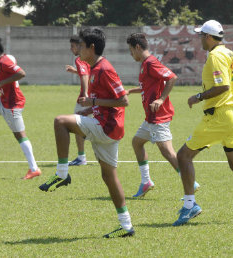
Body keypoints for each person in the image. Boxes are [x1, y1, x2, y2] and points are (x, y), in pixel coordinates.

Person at [39, 28, 135, 238]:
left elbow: (123, 101)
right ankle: (126, 226)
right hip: (109, 127)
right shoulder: (95, 67)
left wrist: (92, 102)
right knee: (109, 177)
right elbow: (107, 100)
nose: (78, 49)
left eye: (81, 45)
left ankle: (62, 174)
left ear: (91, 47)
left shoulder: (104, 69)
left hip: (106, 127)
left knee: (60, 122)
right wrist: (90, 109)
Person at [173, 20, 233, 226]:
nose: (199, 39)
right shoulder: (230, 54)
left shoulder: (216, 55)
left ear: (208, 37)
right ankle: (190, 205)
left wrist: (198, 96)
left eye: (201, 35)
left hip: (219, 115)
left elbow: (223, 86)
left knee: (183, 156)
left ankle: (190, 205)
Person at [126, 33, 200, 198]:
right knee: (137, 142)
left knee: (167, 152)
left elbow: (172, 77)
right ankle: (146, 182)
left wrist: (160, 99)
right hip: (150, 118)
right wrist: (131, 91)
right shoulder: (146, 64)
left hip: (158, 117)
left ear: (137, 47)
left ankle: (190, 182)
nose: (131, 54)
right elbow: (148, 86)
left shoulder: (151, 63)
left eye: (131, 51)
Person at [0, 36, 41, 179]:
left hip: (12, 104)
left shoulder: (4, 61)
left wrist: (0, 84)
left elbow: (21, 73)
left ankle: (34, 169)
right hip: (3, 101)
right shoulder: (0, 61)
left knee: (20, 135)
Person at [65, 35, 91, 166]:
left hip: (84, 99)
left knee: (77, 126)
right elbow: (86, 73)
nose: (71, 49)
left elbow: (85, 75)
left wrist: (85, 94)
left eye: (72, 46)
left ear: (80, 46)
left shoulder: (79, 59)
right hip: (96, 97)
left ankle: (81, 158)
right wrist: (75, 72)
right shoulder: (89, 58)